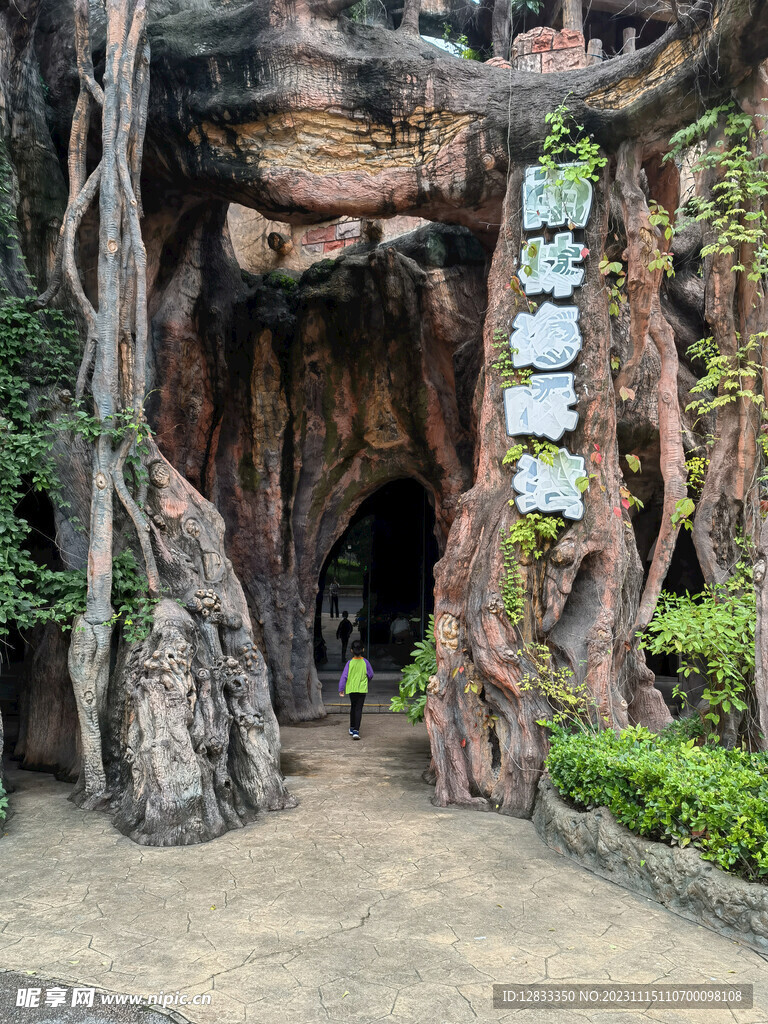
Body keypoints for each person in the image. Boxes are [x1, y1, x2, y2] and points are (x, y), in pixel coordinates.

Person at [338, 640, 373, 740]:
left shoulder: (349, 663)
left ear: (351, 650)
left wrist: (341, 689)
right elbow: (371, 674)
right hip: (362, 689)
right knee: (359, 709)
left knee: (353, 707)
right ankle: (356, 731)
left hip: (351, 689)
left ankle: (352, 727)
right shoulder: (365, 662)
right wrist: (367, 680)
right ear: (363, 649)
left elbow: (344, 676)